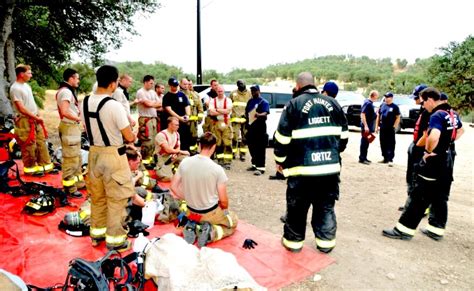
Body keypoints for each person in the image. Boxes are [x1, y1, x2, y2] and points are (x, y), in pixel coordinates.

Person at [274, 72, 348, 253]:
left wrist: (280, 161)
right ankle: (326, 244)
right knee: (325, 207)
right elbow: (344, 139)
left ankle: (293, 244)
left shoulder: (293, 105)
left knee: (297, 209)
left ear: (298, 86)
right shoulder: (334, 103)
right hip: (329, 171)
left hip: (301, 172)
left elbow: (282, 139)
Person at [383, 87, 464, 241]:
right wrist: (446, 144)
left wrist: (428, 151)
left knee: (419, 195)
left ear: (430, 99)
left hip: (434, 163)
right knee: (440, 196)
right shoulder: (452, 114)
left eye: (423, 102)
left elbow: (433, 136)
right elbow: (461, 130)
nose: (423, 105)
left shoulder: (437, 115)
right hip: (447, 162)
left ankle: (404, 230)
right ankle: (436, 230)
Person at [81, 65, 136, 252]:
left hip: (93, 153)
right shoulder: (114, 105)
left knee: (97, 197)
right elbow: (129, 137)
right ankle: (115, 240)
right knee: (116, 199)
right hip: (113, 155)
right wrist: (133, 135)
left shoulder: (85, 101)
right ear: (113, 84)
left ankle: (96, 235)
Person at [170, 132, 238, 247]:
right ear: (214, 147)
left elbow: (173, 186)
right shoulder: (217, 169)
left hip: (190, 210)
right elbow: (224, 201)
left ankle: (192, 226)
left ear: (199, 145)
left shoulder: (185, 162)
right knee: (233, 221)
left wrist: (188, 197)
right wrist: (225, 212)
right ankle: (212, 233)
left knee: (199, 216)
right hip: (209, 212)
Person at [9, 64, 54, 175]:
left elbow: (30, 103)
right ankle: (30, 170)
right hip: (25, 121)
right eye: (29, 73)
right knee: (28, 145)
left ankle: (45, 167)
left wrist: (37, 116)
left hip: (34, 119)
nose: (31, 75)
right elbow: (21, 108)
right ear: (21, 74)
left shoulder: (26, 86)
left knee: (41, 142)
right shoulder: (15, 88)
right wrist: (35, 117)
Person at [56, 68, 84, 198]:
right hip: (69, 127)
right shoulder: (66, 92)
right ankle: (69, 188)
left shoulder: (66, 91)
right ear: (71, 78)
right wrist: (79, 119)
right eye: (77, 78)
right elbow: (65, 111)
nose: (78, 81)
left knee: (77, 157)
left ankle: (77, 183)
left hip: (72, 127)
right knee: (70, 159)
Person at [403, 84, 429, 210]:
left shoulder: (429, 112)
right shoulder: (422, 110)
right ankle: (410, 203)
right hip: (415, 146)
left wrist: (418, 146)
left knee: (416, 178)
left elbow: (427, 134)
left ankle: (417, 206)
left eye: (416, 97)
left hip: (420, 149)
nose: (414, 100)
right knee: (411, 176)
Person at [136, 75, 161, 168]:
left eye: (153, 83)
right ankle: (145, 163)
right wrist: (153, 104)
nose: (152, 84)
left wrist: (152, 104)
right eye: (151, 83)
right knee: (147, 142)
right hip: (145, 119)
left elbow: (160, 103)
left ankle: (151, 160)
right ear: (145, 82)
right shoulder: (141, 92)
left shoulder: (153, 92)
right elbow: (147, 104)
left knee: (154, 141)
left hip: (153, 119)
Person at [155, 117, 190, 181]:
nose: (178, 126)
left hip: (172, 155)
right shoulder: (161, 135)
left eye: (178, 125)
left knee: (186, 158)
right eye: (176, 125)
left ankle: (176, 169)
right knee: (166, 178)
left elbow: (177, 146)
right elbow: (167, 150)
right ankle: (163, 170)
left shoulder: (177, 134)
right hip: (163, 158)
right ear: (170, 125)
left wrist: (176, 153)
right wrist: (180, 151)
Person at [245, 85, 270, 176]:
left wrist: (258, 115)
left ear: (259, 91)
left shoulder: (263, 102)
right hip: (250, 127)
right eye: (252, 91)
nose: (253, 92)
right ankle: (254, 164)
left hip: (260, 128)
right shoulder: (250, 101)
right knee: (252, 147)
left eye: (255, 91)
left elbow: (265, 113)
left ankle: (261, 168)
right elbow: (247, 112)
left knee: (260, 148)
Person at [162, 78, 192, 152]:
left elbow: (187, 105)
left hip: (183, 123)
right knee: (174, 140)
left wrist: (187, 115)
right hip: (173, 123)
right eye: (173, 86)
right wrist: (179, 118)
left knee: (185, 140)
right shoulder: (167, 97)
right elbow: (169, 109)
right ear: (170, 86)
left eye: (176, 85)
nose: (175, 87)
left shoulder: (182, 95)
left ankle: (185, 154)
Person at [208, 85, 233, 169]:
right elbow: (211, 113)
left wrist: (217, 109)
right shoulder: (213, 100)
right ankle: (220, 160)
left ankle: (227, 162)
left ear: (224, 91)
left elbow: (228, 111)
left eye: (221, 91)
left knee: (227, 142)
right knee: (218, 143)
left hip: (226, 123)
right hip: (216, 123)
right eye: (218, 91)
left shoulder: (228, 100)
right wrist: (223, 111)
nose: (220, 93)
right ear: (216, 91)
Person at [375, 92, 400, 166]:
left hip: (390, 128)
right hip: (383, 127)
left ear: (391, 98)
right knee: (383, 142)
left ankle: (390, 159)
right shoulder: (382, 105)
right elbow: (378, 116)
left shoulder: (395, 107)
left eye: (387, 97)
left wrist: (394, 126)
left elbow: (398, 117)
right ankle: (385, 157)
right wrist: (376, 127)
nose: (386, 98)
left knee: (391, 143)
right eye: (385, 97)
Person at [230, 80, 251, 161]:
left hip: (246, 120)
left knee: (245, 138)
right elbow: (229, 105)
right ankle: (233, 153)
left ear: (245, 84)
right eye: (239, 84)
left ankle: (242, 155)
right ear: (237, 85)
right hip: (235, 120)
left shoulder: (249, 93)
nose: (241, 85)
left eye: (242, 83)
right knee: (234, 137)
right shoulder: (233, 93)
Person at [181, 78, 204, 154]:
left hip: (193, 121)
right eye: (186, 84)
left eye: (190, 84)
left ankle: (193, 151)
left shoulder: (195, 95)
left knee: (194, 137)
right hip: (183, 121)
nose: (188, 85)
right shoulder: (180, 94)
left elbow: (200, 107)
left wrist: (200, 117)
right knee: (184, 137)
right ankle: (185, 151)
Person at [358, 90, 379, 164]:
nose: (377, 97)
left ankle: (364, 157)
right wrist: (366, 126)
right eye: (377, 96)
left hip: (368, 126)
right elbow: (363, 114)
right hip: (366, 126)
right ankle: (362, 158)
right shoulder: (367, 103)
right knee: (364, 142)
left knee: (367, 142)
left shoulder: (369, 103)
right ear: (374, 96)